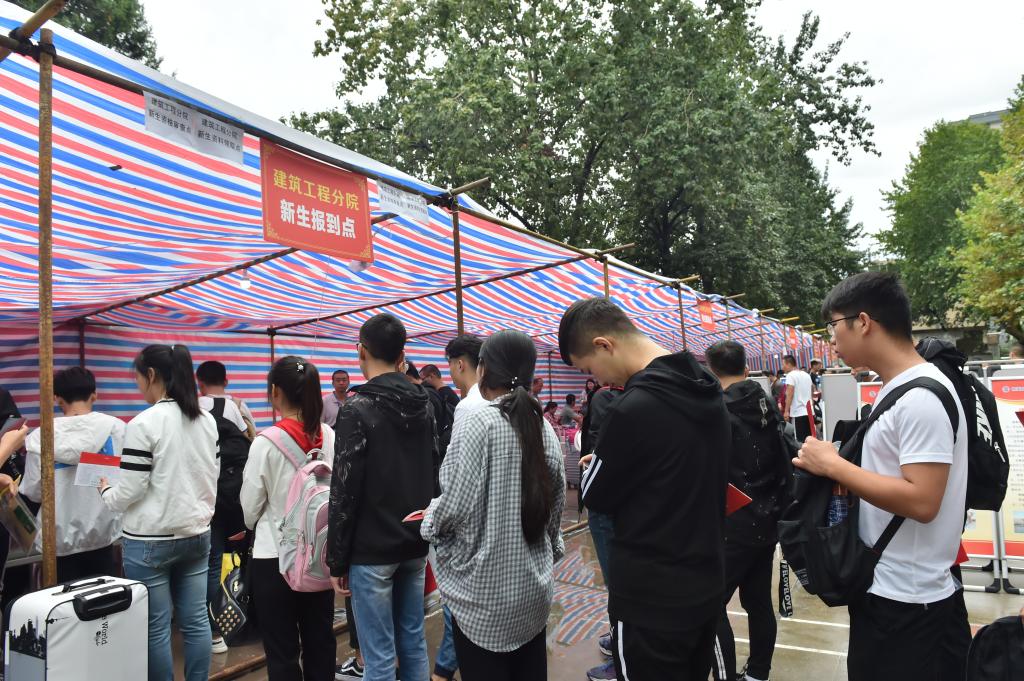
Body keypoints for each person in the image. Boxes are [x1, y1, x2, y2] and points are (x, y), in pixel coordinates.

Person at [793, 272, 970, 681]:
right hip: (890, 586)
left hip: (907, 599)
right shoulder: (901, 387)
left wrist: (833, 465)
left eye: (833, 326)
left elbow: (923, 500)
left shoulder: (921, 397)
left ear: (863, 322)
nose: (831, 340)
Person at [560, 298, 730, 680]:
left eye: (589, 368)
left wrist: (601, 461)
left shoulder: (632, 408)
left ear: (604, 344)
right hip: (705, 581)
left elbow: (596, 495)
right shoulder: (709, 390)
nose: (599, 380)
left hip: (649, 600)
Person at [421, 329, 566, 681]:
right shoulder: (543, 427)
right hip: (533, 591)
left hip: (484, 600)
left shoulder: (478, 422)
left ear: (483, 369)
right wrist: (549, 550)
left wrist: (428, 522)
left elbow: (454, 505)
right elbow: (555, 508)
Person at [98, 344, 218, 681]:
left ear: (151, 375)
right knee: (196, 621)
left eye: (137, 378)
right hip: (197, 532)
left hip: (149, 540)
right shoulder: (206, 420)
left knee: (155, 627)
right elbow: (212, 474)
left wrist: (106, 492)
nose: (138, 385)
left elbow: (131, 489)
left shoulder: (143, 423)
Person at [328, 313, 437, 681]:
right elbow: (434, 467)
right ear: (402, 355)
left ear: (361, 351)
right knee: (413, 641)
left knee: (378, 656)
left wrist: (337, 560)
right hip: (415, 541)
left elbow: (344, 490)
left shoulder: (356, 409)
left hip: (372, 549)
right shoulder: (425, 404)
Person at [241, 355, 336, 681]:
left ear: (275, 391)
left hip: (274, 557)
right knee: (320, 641)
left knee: (281, 651)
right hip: (319, 554)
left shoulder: (265, 443)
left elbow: (249, 509)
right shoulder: (328, 435)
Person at [705, 341, 790, 681]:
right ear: (745, 367)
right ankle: (757, 674)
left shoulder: (717, 411)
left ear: (712, 370)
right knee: (758, 602)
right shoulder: (766, 402)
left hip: (732, 523)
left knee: (710, 606)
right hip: (767, 517)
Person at [22, 367, 123, 583]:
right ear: (94, 395)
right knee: (103, 598)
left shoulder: (41, 437)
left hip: (57, 540)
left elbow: (33, 491)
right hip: (104, 534)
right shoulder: (116, 429)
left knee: (64, 601)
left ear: (57, 398)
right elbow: (125, 480)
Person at [430, 333, 487, 681]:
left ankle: (442, 672)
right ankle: (444, 669)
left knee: (458, 605)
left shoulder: (469, 407)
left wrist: (432, 521)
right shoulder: (505, 402)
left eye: (451, 365)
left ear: (460, 364)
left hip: (470, 528)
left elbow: (455, 483)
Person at [196, 359, 253, 655]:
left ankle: (212, 629)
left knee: (211, 563)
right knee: (241, 559)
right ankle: (241, 615)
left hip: (205, 495)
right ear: (226, 380)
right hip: (236, 495)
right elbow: (249, 440)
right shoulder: (235, 406)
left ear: (199, 382)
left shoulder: (192, 408)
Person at [579, 381, 624, 681]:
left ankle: (622, 657)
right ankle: (619, 641)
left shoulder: (609, 398)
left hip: (610, 504)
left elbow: (605, 446)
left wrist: (595, 463)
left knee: (619, 587)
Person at [196, 360, 257, 437]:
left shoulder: (196, 406)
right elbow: (253, 433)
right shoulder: (240, 405)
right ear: (226, 382)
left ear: (200, 384)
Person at [421, 364, 461, 452]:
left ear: (432, 376)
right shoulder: (446, 391)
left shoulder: (442, 394)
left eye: (423, 379)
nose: (421, 383)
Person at [781, 355, 814, 440]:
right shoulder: (806, 374)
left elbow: (790, 394)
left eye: (783, 364)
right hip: (809, 412)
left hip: (798, 413)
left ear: (789, 364)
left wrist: (786, 411)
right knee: (810, 440)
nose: (782, 367)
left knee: (799, 441)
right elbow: (812, 390)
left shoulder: (790, 375)